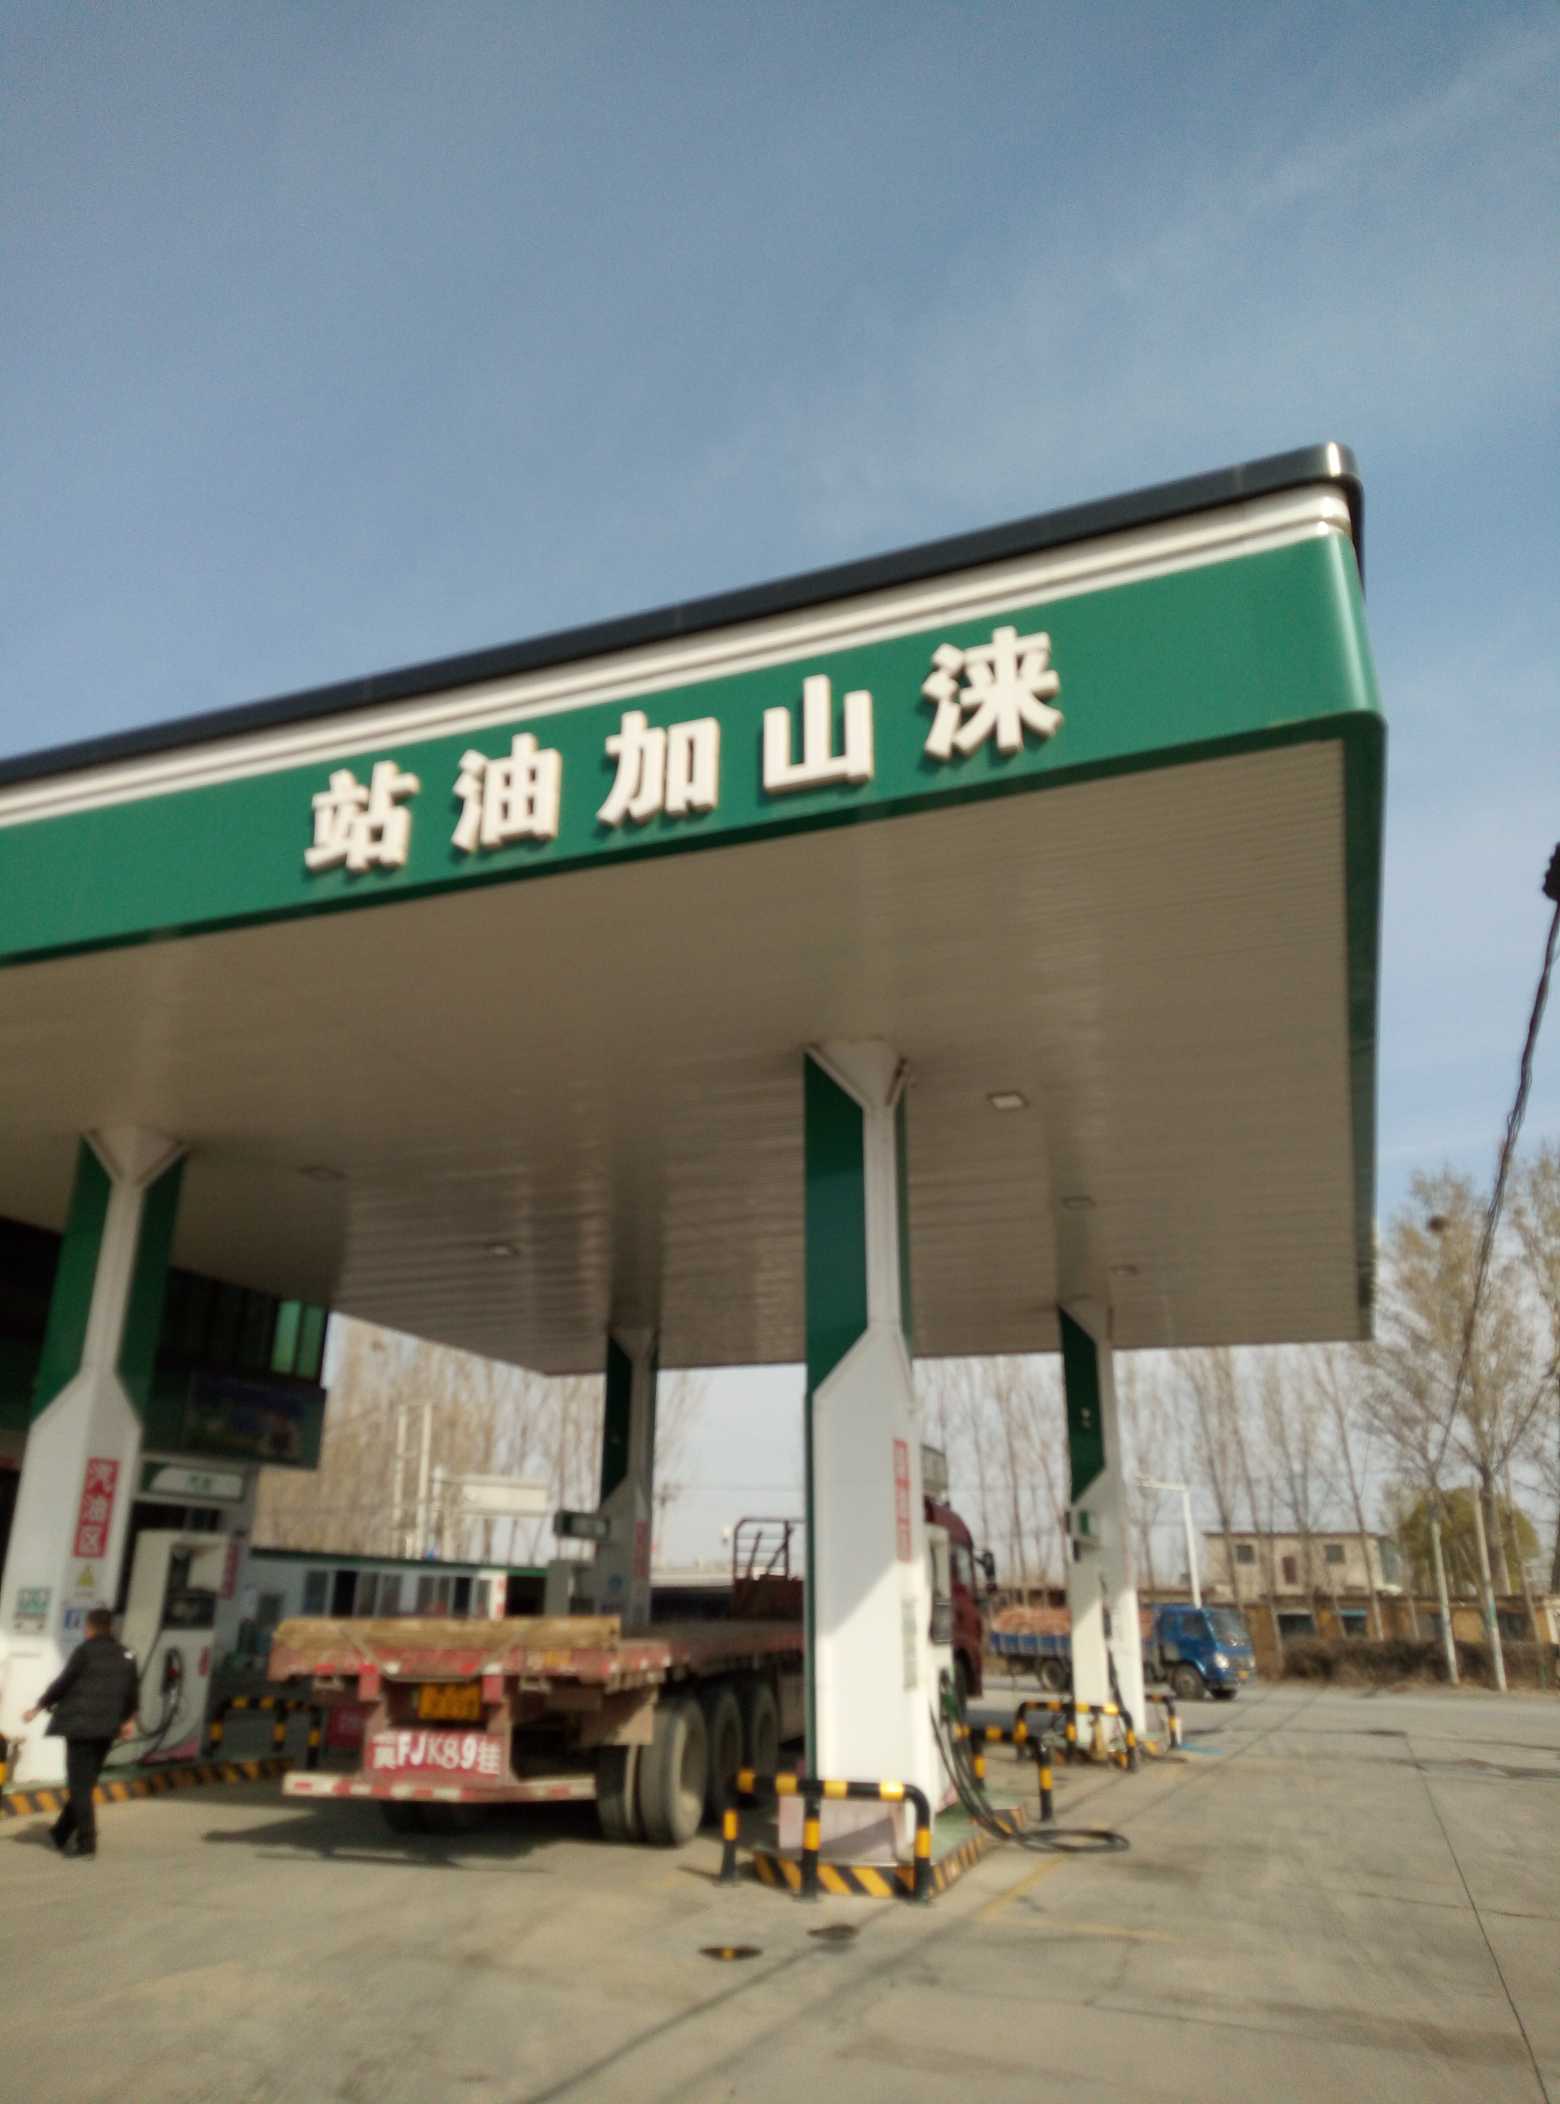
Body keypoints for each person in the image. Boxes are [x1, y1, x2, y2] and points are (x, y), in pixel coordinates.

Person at [22, 1608, 139, 1858]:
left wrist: (38, 1707)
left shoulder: (85, 1651)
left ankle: (87, 1841)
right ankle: (61, 1832)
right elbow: (132, 1691)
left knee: (79, 1786)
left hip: (80, 1726)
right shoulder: (126, 1655)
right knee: (86, 1783)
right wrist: (128, 1720)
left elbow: (63, 1683)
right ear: (111, 1628)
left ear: (90, 1628)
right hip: (107, 1728)